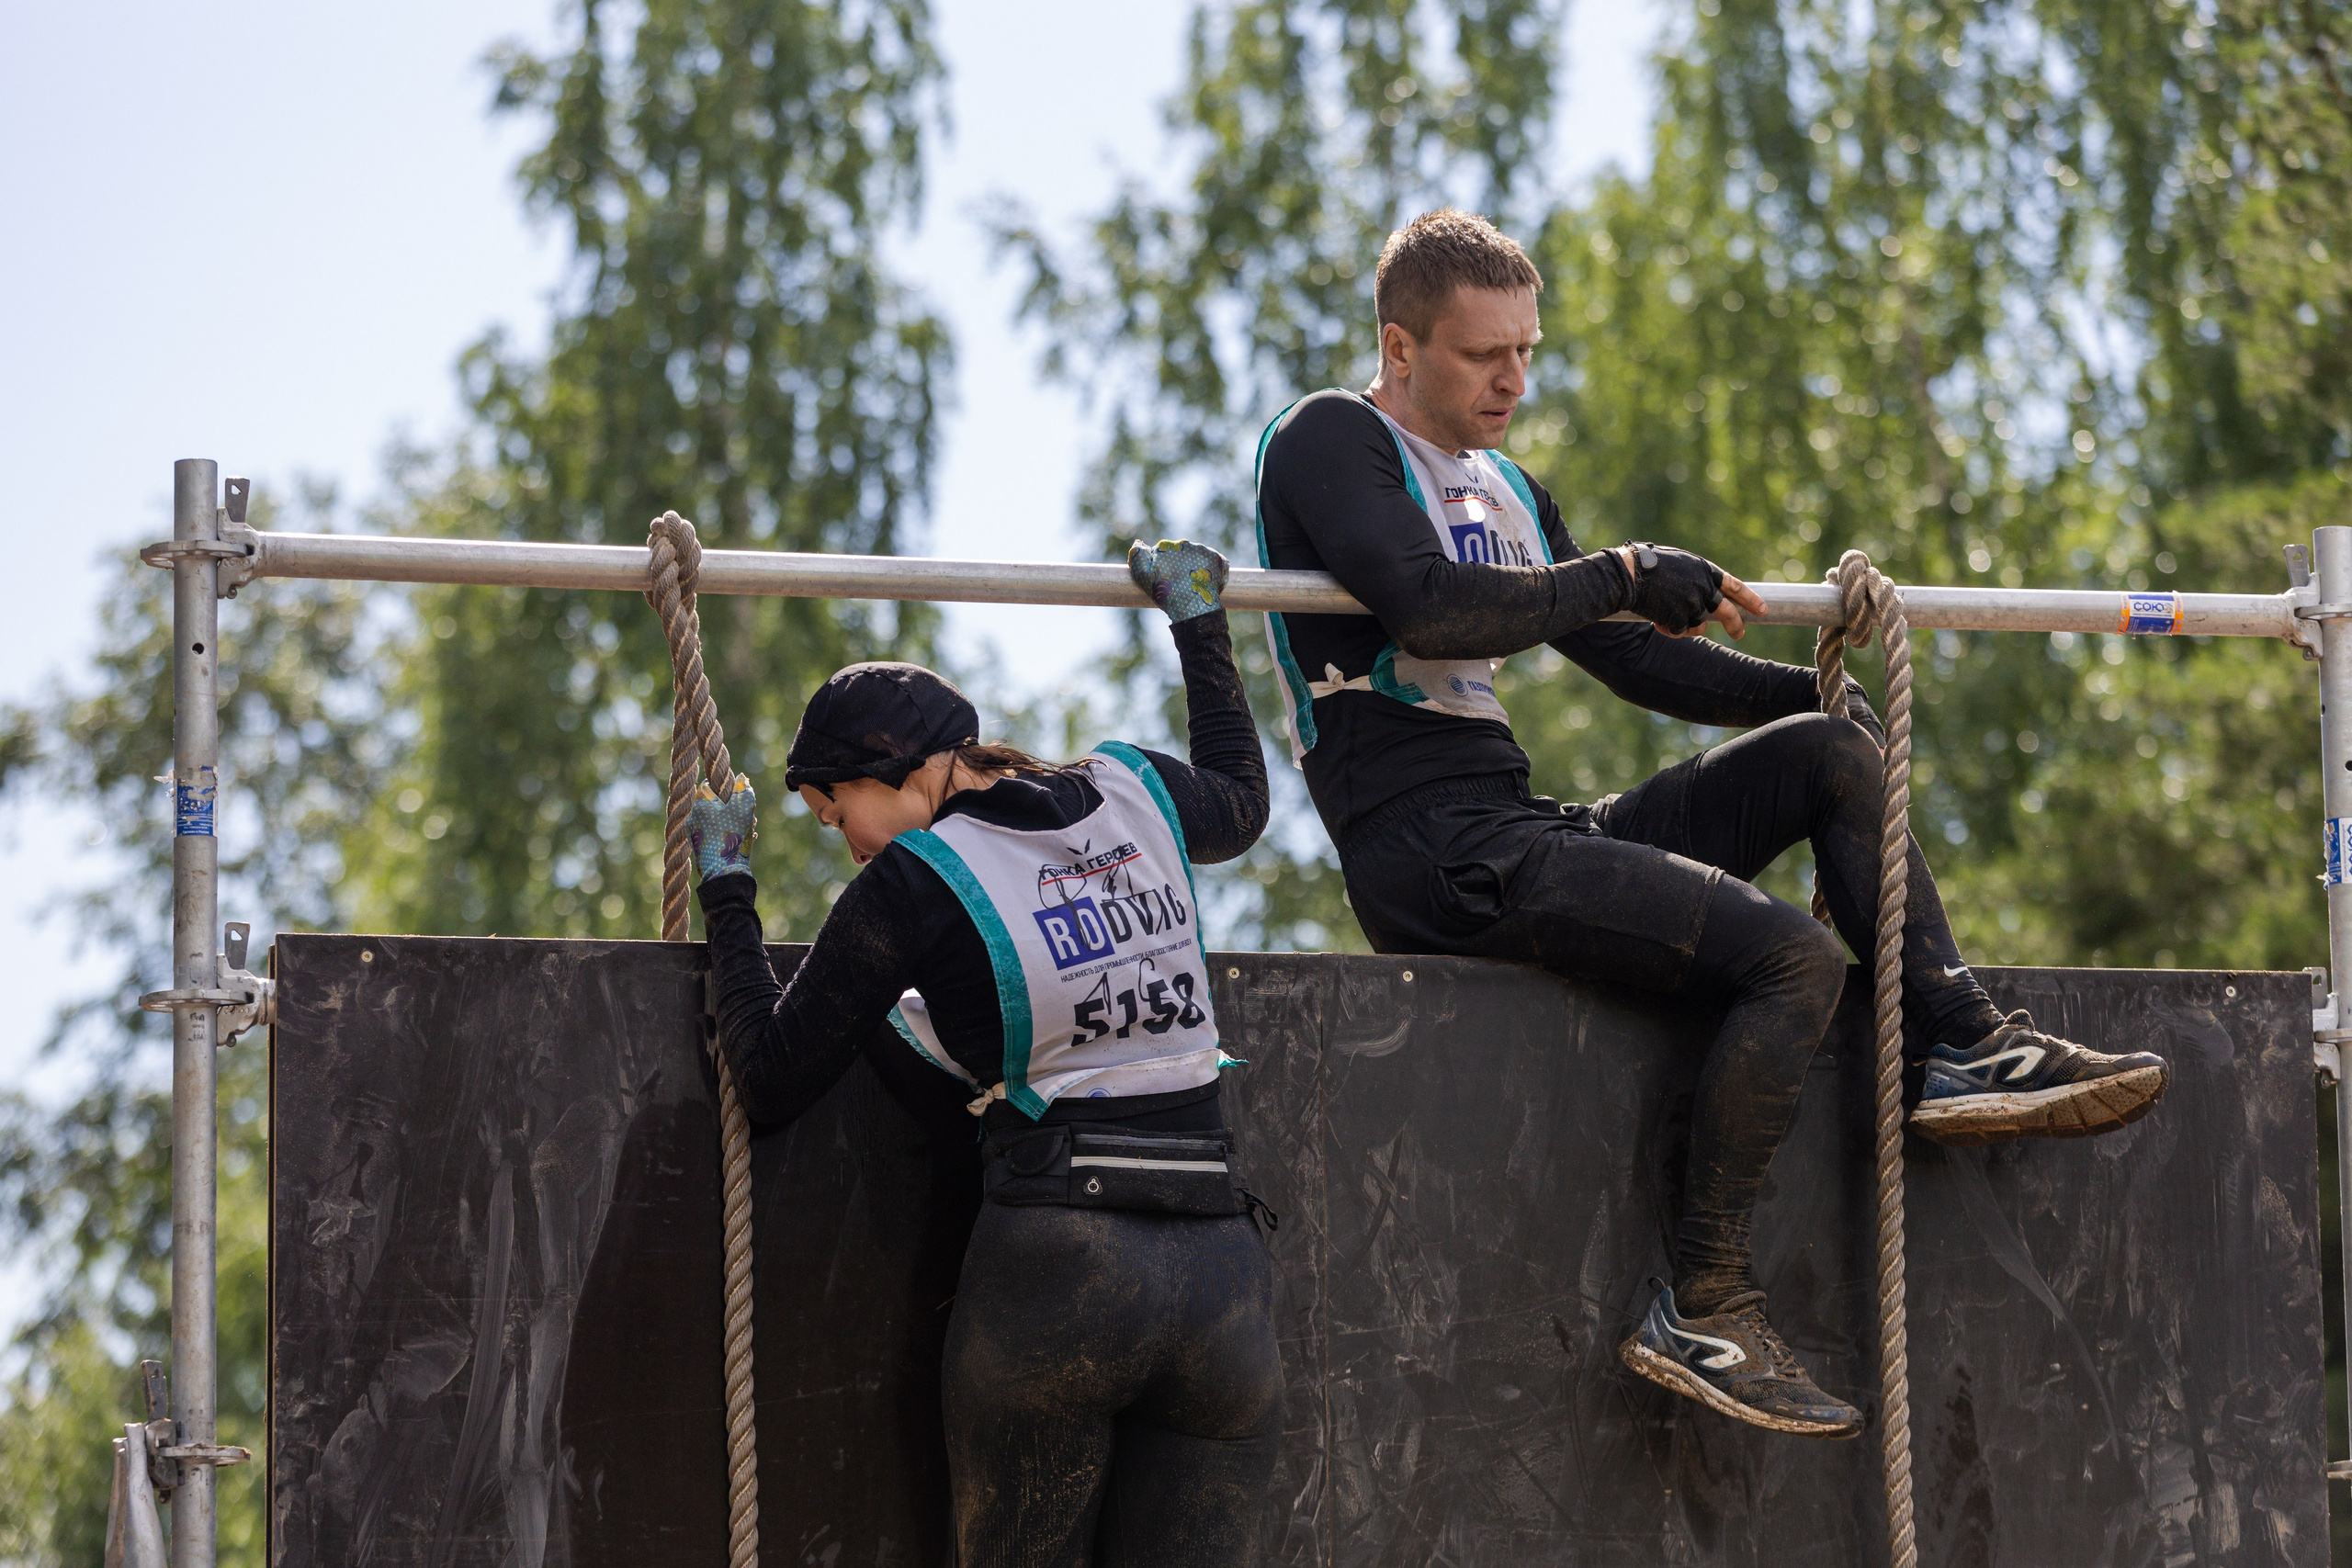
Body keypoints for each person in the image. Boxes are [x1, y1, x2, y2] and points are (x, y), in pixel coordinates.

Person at [1252, 209, 2171, 1441]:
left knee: (1832, 759)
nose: (1513, 380)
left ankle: (1960, 1043)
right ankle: (1706, 1300)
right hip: (1430, 851)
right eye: (1483, 356)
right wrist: (1626, 568)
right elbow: (1430, 607)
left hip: (1518, 817)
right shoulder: (1330, 438)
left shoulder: (1511, 485)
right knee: (1792, 957)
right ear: (1400, 344)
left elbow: (1630, 660)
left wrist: (1818, 694)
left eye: (1527, 350)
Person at [687, 539, 1282, 1567]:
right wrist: (1195, 618)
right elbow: (1242, 799)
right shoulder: (1131, 789)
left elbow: (772, 1072)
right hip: (1221, 1278)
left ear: (899, 770)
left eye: (838, 813)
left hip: (1057, 1274)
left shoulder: (916, 877)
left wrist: (728, 891)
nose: (850, 842)